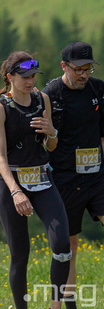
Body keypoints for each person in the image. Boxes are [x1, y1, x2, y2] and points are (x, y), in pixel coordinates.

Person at [42, 41, 104, 309]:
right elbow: (45, 142)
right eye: (78, 69)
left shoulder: (98, 88)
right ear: (64, 66)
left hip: (98, 176)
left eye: (88, 68)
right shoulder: (50, 94)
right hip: (64, 179)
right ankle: (69, 304)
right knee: (70, 245)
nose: (83, 74)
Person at [0, 52, 72, 309]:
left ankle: (55, 305)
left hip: (42, 177)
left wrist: (52, 132)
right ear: (10, 77)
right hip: (12, 183)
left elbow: (51, 146)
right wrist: (15, 192)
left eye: (33, 76)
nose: (31, 81)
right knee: (20, 255)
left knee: (62, 245)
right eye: (25, 77)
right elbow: (0, 157)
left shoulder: (43, 100)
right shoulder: (2, 107)